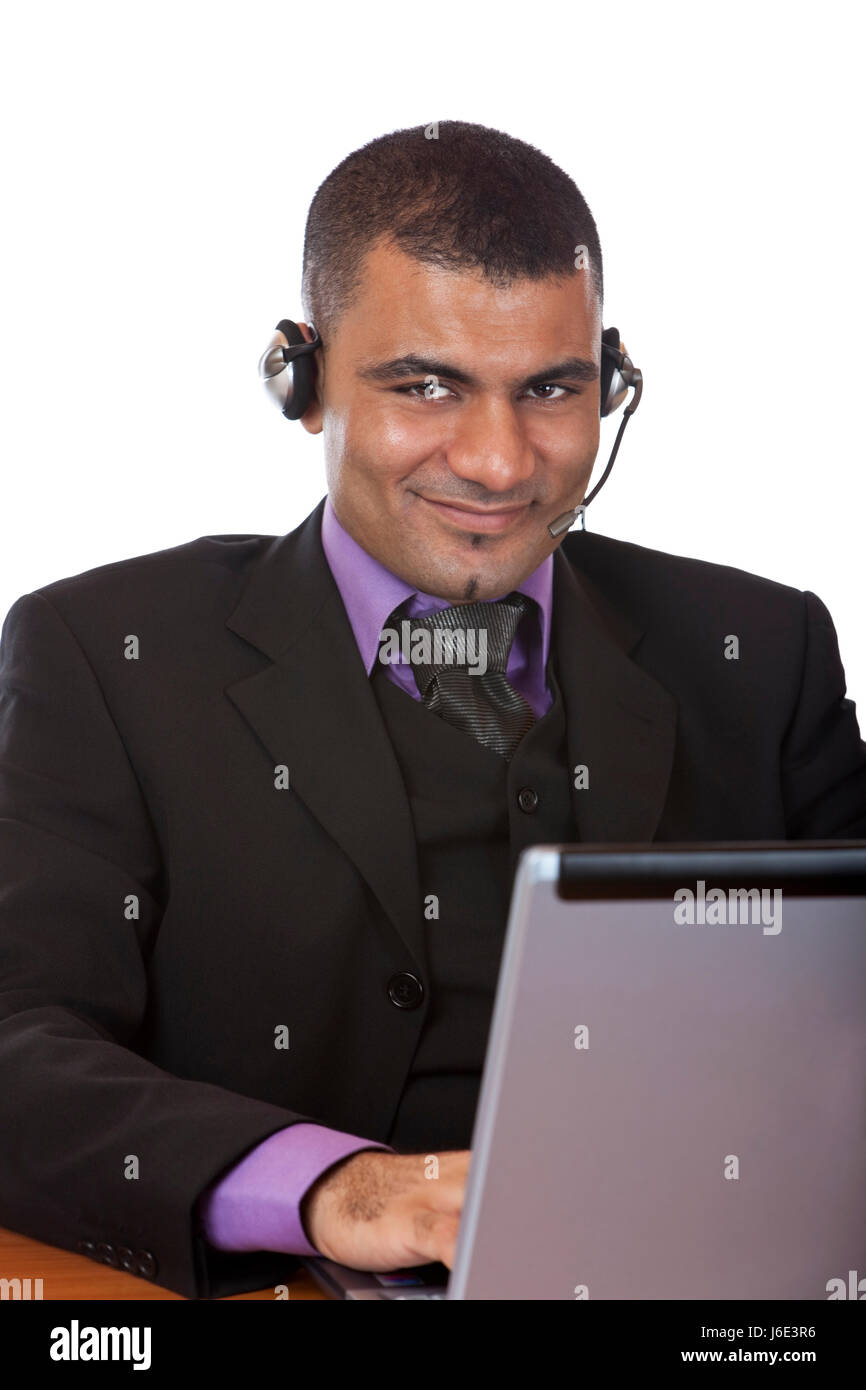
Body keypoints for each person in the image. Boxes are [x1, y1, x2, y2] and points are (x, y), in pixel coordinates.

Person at [1, 121, 864, 1301]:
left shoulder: (763, 652)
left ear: (607, 383)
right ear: (298, 383)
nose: (500, 463)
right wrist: (333, 1189)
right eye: (425, 385)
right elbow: (14, 1042)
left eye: (550, 389)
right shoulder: (102, 655)